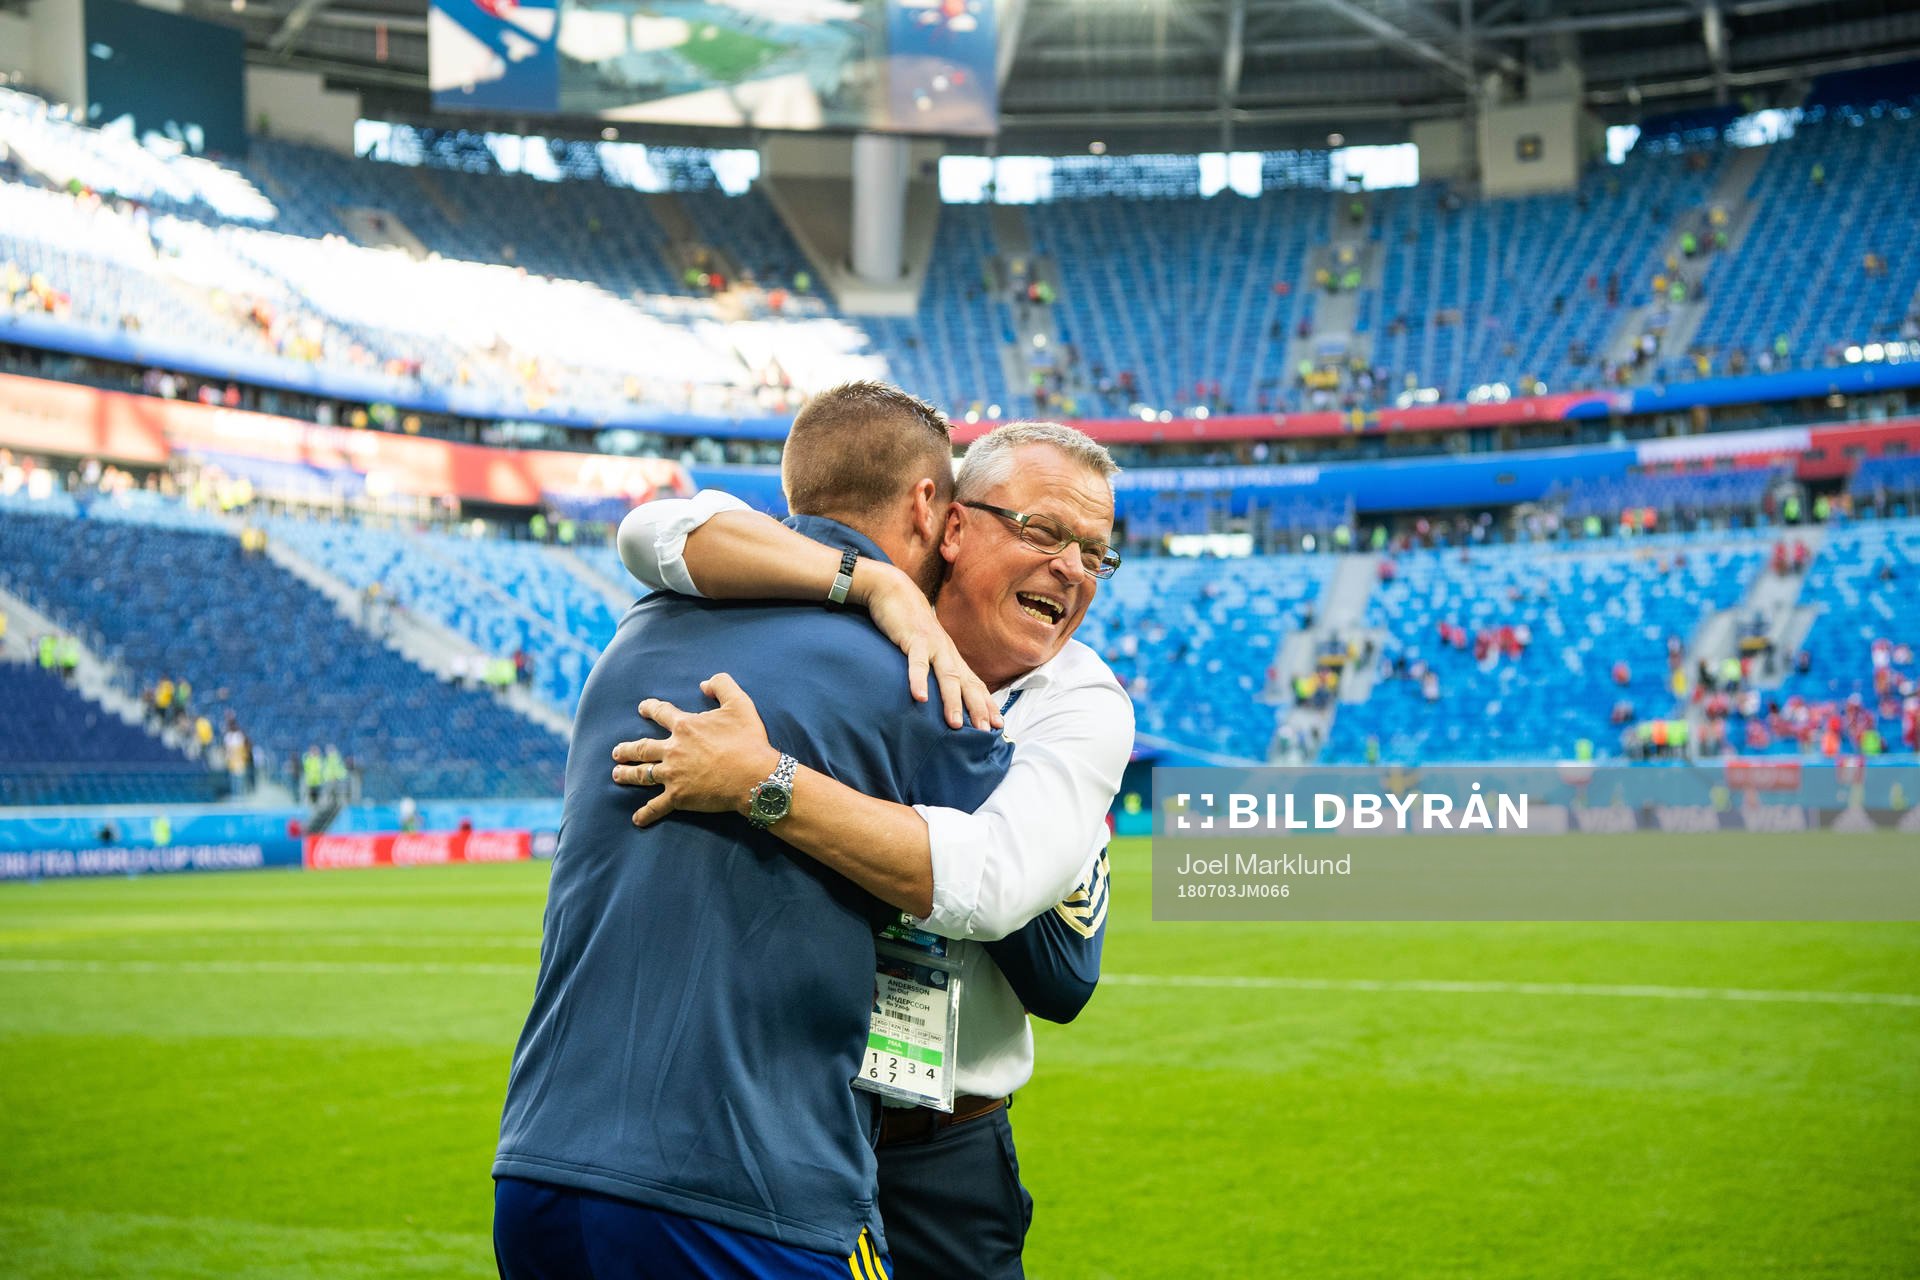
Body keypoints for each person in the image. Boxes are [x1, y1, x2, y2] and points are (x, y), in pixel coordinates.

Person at [493, 383, 1020, 1278]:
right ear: (926, 504)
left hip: (541, 1173)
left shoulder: (640, 627)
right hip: (750, 1193)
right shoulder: (917, 679)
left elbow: (661, 530)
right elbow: (1039, 928)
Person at [610, 421, 1133, 1278]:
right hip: (779, 1119)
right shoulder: (850, 605)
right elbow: (651, 531)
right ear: (952, 524)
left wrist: (763, 781)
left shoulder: (1080, 700)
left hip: (942, 1143)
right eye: (1043, 532)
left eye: (1095, 553)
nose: (1072, 568)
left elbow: (998, 887)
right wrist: (874, 583)